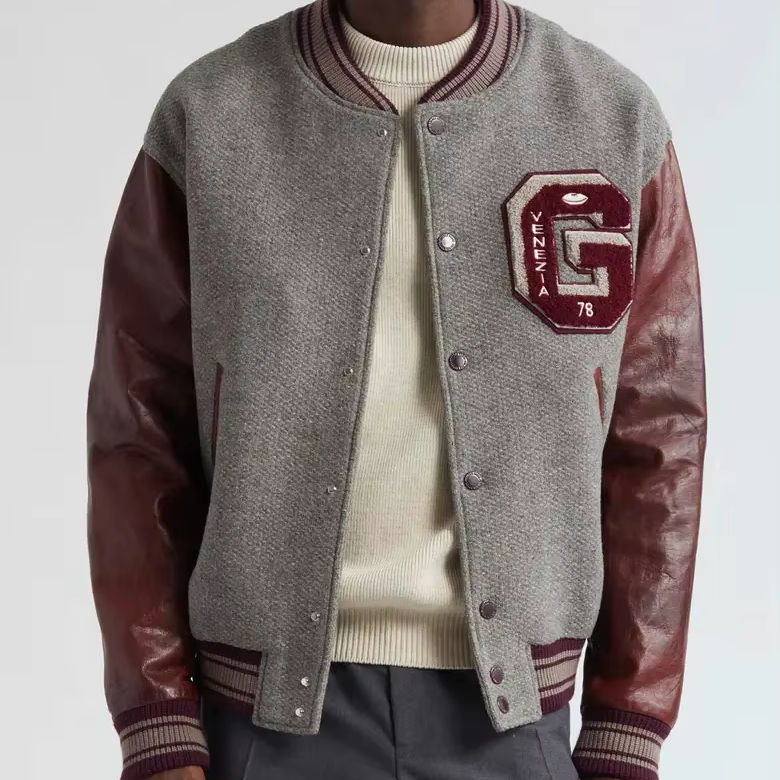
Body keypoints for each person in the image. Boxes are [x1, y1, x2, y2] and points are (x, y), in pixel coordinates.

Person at [86, 0, 707, 778]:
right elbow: (139, 432)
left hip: (518, 728)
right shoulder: (212, 114)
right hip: (261, 726)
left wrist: (628, 721)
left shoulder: (610, 118)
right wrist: (157, 719)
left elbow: (658, 438)